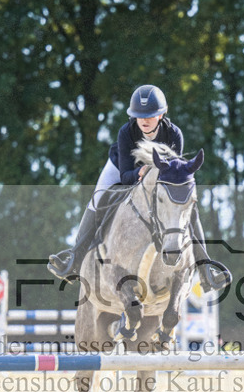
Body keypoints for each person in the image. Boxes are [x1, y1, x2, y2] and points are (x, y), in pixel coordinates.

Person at [48, 84, 230, 292]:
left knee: (188, 208)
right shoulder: (126, 132)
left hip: (159, 177)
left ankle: (205, 269)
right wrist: (140, 174)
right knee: (98, 199)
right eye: (139, 115)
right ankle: (74, 259)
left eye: (150, 115)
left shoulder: (174, 135)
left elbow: (174, 176)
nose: (144, 120)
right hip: (121, 169)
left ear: (161, 114)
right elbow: (125, 177)